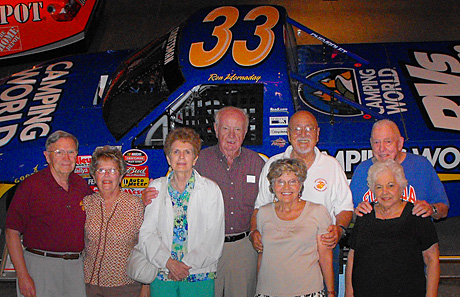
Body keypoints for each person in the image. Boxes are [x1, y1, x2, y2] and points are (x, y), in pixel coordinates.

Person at [143, 106, 266, 297]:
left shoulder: (257, 163)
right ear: (216, 129)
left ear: (245, 132)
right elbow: (151, 226)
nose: (232, 135)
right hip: (199, 254)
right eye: (226, 128)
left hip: (240, 248)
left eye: (238, 129)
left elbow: (264, 204)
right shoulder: (200, 160)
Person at [250, 110, 354, 296]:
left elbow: (345, 208)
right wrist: (254, 232)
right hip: (280, 254)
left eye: (309, 129)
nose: (303, 134)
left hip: (324, 250)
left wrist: (338, 230)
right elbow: (260, 207)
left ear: (317, 133)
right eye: (297, 129)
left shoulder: (332, 166)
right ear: (288, 134)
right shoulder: (273, 164)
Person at [138, 127, 225, 297]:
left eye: (187, 152)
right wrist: (168, 263)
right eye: (176, 151)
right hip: (163, 273)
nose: (182, 157)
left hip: (198, 274)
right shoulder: (156, 188)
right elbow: (147, 233)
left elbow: (214, 238)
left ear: (195, 158)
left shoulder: (211, 190)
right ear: (168, 158)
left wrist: (183, 266)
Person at [5, 130, 93, 297]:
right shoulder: (30, 187)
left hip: (75, 267)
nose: (66, 158)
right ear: (47, 156)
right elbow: (12, 233)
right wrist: (23, 276)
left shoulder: (80, 185)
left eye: (71, 152)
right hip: (40, 266)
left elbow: (102, 209)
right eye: (59, 152)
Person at [345, 159, 440, 297]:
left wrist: (431, 295)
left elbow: (432, 259)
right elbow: (352, 257)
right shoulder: (365, 215)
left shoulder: (418, 214)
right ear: (372, 189)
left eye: (390, 185)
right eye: (379, 187)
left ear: (401, 187)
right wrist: (349, 293)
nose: (385, 192)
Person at [256, 158, 334, 297]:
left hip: (309, 291)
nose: (286, 187)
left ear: (300, 184)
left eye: (292, 181)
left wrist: (331, 291)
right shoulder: (263, 213)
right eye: (280, 182)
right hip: (268, 291)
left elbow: (325, 256)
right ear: (272, 186)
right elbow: (262, 255)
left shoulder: (318, 212)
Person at [83, 146, 149, 296]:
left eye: (112, 170)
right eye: (101, 170)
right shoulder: (86, 204)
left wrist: (146, 284)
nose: (106, 175)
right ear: (94, 175)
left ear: (120, 176)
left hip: (125, 286)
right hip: (89, 286)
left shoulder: (134, 205)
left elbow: (145, 246)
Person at [350, 119, 449, 219]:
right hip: (373, 233)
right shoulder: (362, 171)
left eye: (388, 142)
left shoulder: (421, 166)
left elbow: (443, 210)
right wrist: (356, 213)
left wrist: (431, 210)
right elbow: (348, 213)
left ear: (400, 143)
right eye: (376, 142)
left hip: (414, 232)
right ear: (371, 143)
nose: (381, 148)